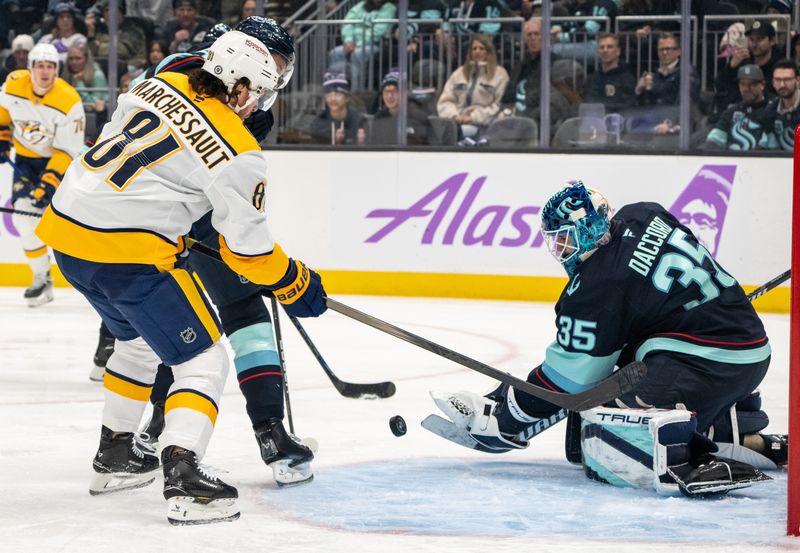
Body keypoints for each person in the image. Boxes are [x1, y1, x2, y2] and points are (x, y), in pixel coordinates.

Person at [35, 28, 327, 524]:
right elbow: (250, 250)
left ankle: (117, 455)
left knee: (137, 344)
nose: (256, 105)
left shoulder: (163, 79)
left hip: (68, 236)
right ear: (238, 86)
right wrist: (295, 281)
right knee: (203, 358)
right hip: (129, 255)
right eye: (255, 92)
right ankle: (184, 475)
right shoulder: (239, 146)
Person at [427, 180, 786, 497]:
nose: (562, 251)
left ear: (588, 229)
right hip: (745, 346)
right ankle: (741, 433)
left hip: (705, 361)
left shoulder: (597, 286)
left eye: (566, 239)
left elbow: (568, 380)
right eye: (556, 242)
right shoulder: (643, 213)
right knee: (613, 386)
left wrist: (506, 421)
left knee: (604, 429)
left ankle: (692, 453)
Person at [0, 43, 85, 307]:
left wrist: (48, 184)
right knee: (26, 221)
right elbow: (3, 108)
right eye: (40, 66)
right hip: (25, 161)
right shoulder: (14, 83)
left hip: (58, 162)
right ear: (30, 68)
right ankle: (41, 278)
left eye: (50, 66)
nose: (45, 72)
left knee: (67, 226)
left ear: (57, 70)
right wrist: (3, 135)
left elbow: (66, 150)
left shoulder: (69, 101)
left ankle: (89, 281)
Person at [437, 34, 509, 139]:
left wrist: (473, 118)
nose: (477, 51)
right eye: (474, 48)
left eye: (481, 48)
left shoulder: (500, 74)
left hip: (485, 126)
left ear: (489, 52)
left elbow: (498, 105)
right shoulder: (459, 73)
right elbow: (445, 101)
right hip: (457, 123)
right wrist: (455, 116)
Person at [712, 19, 778, 120]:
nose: (754, 44)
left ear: (772, 41)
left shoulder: (779, 66)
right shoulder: (742, 61)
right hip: (733, 114)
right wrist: (731, 66)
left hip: (765, 116)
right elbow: (719, 85)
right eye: (751, 39)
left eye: (759, 39)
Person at [326, 0, 397, 90]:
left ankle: (357, 91)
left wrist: (358, 44)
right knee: (335, 53)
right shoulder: (361, 5)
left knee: (358, 54)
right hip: (352, 44)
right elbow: (347, 23)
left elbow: (378, 31)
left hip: (375, 44)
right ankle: (335, 90)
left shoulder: (389, 7)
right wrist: (348, 41)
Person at [703, 64, 775, 151]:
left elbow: (772, 144)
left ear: (762, 85)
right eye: (743, 84)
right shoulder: (732, 111)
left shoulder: (773, 109)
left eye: (752, 84)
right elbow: (715, 139)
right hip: (734, 161)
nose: (746, 88)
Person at [369, 69, 431, 145]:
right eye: (386, 91)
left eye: (394, 91)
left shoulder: (418, 117)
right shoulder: (379, 117)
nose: (389, 96)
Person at [308, 71, 367, 145]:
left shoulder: (360, 121)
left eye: (337, 94)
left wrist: (360, 143)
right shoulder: (318, 123)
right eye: (329, 94)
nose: (333, 99)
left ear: (347, 98)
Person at [583, 33, 636, 113]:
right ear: (598, 52)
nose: (605, 50)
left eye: (609, 47)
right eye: (602, 47)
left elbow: (626, 106)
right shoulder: (591, 79)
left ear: (618, 51)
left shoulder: (627, 79)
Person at [61, 44, 108, 114]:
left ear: (86, 59)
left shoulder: (98, 75)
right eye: (71, 59)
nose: (74, 62)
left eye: (78, 58)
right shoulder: (68, 75)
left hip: (96, 116)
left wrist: (79, 83)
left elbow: (95, 104)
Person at [766, 59, 800, 151]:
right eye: (778, 80)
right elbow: (770, 147)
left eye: (787, 79)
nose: (782, 85)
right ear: (773, 82)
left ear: (797, 80)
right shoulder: (770, 110)